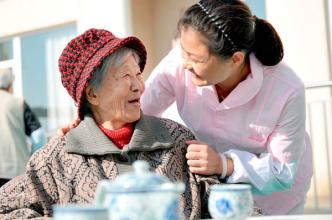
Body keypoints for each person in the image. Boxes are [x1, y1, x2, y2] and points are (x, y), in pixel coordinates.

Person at [0, 28, 226, 220]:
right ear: (92, 94)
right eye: (125, 76)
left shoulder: (176, 139)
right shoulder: (55, 160)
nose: (139, 86)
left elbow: (225, 206)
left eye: (138, 74)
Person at [140, 0, 313, 215]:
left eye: (195, 58)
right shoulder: (180, 61)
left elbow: (282, 172)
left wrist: (224, 164)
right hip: (214, 193)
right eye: (183, 51)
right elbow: (140, 110)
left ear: (236, 59)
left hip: (274, 200)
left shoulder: (286, 88)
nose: (185, 63)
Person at [0, 68, 46, 188]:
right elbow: (38, 135)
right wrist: (33, 160)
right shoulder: (17, 103)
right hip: (14, 172)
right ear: (10, 85)